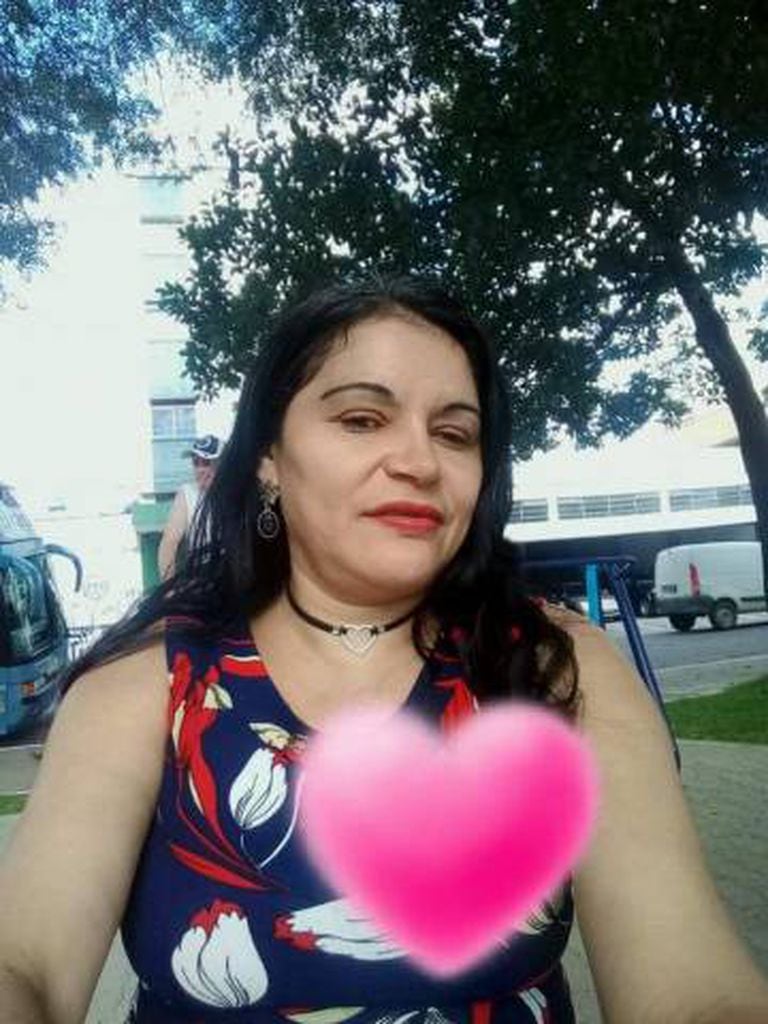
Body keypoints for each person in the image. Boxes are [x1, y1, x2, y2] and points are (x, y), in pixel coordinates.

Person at [0, 276, 766, 1024]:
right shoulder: (153, 684)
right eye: (363, 419)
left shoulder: (558, 668)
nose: (420, 462)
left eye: (454, 433)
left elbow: (691, 988)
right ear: (268, 456)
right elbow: (25, 960)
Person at [157, 434, 223, 580]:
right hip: (202, 578)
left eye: (206, 462)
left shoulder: (237, 492)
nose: (200, 469)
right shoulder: (188, 493)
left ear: (222, 464)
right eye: (196, 462)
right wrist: (169, 586)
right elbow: (169, 542)